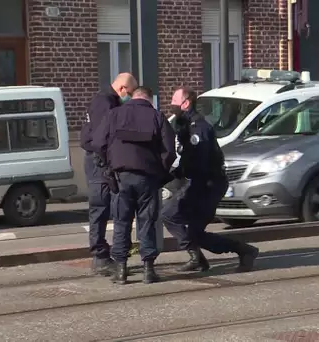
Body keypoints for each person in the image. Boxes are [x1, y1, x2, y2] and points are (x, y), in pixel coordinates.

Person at [162, 87, 259, 273]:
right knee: (184, 225)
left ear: (186, 103)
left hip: (207, 184)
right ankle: (200, 256)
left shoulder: (198, 128)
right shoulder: (185, 125)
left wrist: (179, 174)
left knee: (175, 219)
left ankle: (243, 251)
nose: (172, 104)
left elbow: (199, 160)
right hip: (200, 182)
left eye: (175, 100)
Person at [91, 86, 176, 285]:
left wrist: (108, 166)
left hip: (121, 178)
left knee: (122, 223)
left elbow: (97, 143)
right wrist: (160, 172)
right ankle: (148, 269)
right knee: (146, 222)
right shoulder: (158, 117)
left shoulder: (114, 114)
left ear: (133, 97)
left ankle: (121, 270)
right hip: (147, 178)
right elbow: (170, 151)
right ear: (149, 99)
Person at [80, 73, 138, 276]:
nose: (129, 97)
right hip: (99, 161)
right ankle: (100, 256)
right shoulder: (105, 103)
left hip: (102, 160)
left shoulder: (108, 100)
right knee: (100, 207)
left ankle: (109, 253)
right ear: (122, 88)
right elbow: (103, 136)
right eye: (130, 93)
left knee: (109, 206)